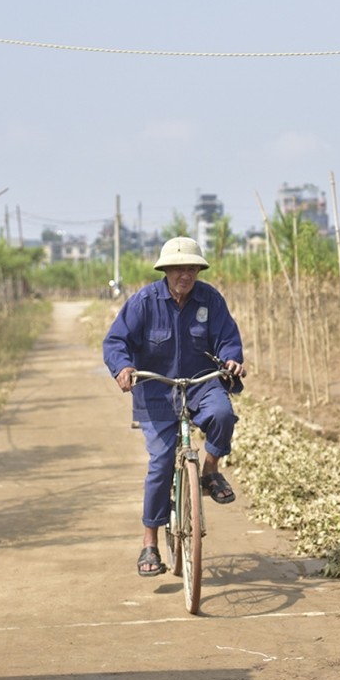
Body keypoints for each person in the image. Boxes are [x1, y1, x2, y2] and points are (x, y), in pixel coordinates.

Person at [103, 236, 247, 577]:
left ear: (199, 269)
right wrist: (123, 367)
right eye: (178, 268)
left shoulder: (210, 299)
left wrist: (231, 360)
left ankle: (210, 471)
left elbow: (228, 339)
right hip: (157, 390)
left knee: (224, 415)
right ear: (165, 270)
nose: (185, 274)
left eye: (192, 268)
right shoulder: (143, 302)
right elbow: (116, 340)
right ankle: (149, 541)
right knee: (162, 462)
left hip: (200, 384)